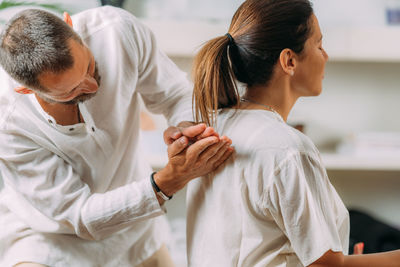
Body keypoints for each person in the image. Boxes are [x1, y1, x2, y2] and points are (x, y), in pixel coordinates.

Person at [0, 6, 233, 267]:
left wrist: (186, 126)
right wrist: (169, 181)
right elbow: (80, 214)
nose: (93, 86)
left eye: (88, 66)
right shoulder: (8, 124)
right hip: (52, 238)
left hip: (136, 227)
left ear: (70, 23)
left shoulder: (117, 31)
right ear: (25, 90)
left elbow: (174, 94)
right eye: (71, 91)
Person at [187, 0, 400, 266]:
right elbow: (326, 264)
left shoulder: (215, 127)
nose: (326, 56)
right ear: (289, 60)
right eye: (319, 45)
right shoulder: (288, 148)